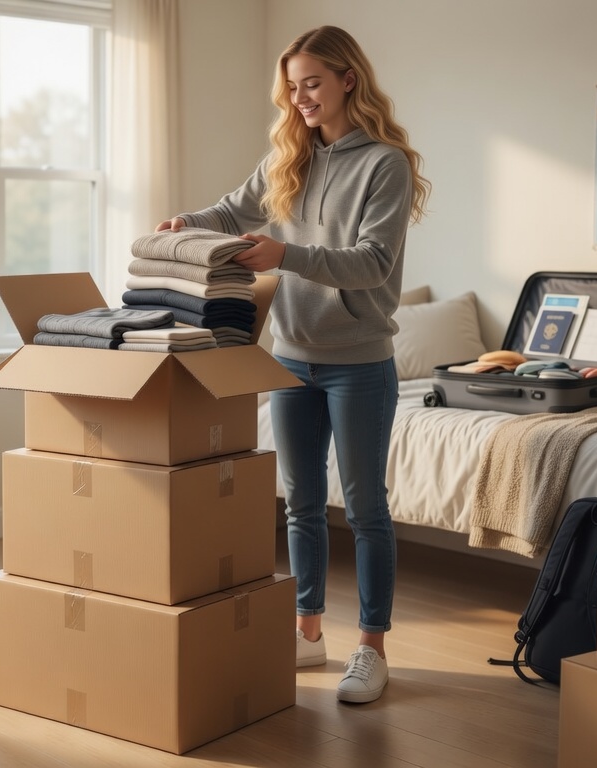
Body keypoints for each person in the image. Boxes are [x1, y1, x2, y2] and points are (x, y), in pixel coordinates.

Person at [157, 25, 429, 704]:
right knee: (300, 506)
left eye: (311, 82)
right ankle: (308, 634)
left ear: (347, 81)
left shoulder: (385, 164)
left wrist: (286, 256)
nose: (299, 97)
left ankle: (372, 647)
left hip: (358, 363)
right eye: (292, 85)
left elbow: (372, 263)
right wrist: (184, 222)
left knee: (366, 509)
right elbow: (231, 210)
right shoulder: (289, 157)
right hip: (290, 359)